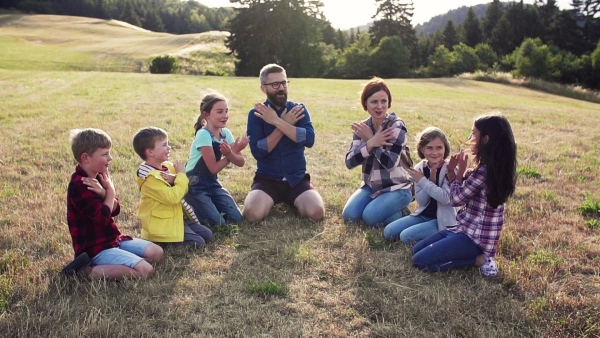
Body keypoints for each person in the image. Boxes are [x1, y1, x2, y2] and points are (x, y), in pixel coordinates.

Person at [411, 112, 517, 277]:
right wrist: (454, 172)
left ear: (486, 139)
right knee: (415, 250)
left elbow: (455, 199)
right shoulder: (488, 167)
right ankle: (469, 254)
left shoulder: (485, 172)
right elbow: (462, 185)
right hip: (462, 228)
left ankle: (479, 259)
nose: (470, 138)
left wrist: (456, 174)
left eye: (474, 134)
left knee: (420, 260)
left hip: (476, 239)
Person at [62, 128, 164, 280]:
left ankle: (121, 265)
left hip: (113, 240)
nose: (110, 158)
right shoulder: (80, 185)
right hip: (95, 249)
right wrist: (110, 190)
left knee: (157, 253)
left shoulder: (99, 176)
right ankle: (85, 271)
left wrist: (105, 193)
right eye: (104, 154)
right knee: (146, 271)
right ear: (86, 158)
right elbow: (103, 217)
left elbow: (115, 210)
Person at [243, 63, 325, 223]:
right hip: (267, 180)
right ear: (263, 88)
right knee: (252, 215)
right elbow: (259, 152)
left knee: (316, 213)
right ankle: (270, 199)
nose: (281, 88)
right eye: (275, 84)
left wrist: (277, 122)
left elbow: (309, 140)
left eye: (284, 83)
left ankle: (294, 199)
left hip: (296, 179)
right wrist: (282, 124)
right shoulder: (256, 114)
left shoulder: (299, 110)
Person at [342, 77, 413, 227]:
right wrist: (371, 143)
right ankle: (384, 208)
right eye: (374, 101)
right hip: (372, 186)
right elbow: (349, 162)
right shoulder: (362, 128)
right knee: (350, 216)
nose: (379, 106)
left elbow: (390, 163)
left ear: (389, 103)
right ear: (365, 104)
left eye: (384, 101)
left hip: (398, 187)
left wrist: (371, 140)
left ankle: (402, 213)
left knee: (369, 217)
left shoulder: (396, 126)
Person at [132, 126, 213, 247]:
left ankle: (179, 233)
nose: (169, 147)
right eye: (164, 145)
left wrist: (176, 178)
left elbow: (182, 190)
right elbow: (173, 197)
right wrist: (180, 175)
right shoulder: (150, 178)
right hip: (161, 226)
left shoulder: (168, 166)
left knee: (207, 234)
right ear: (150, 152)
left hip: (175, 218)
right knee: (199, 243)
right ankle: (157, 241)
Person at [383, 127, 457, 244]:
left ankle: (441, 237)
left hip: (442, 221)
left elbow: (446, 198)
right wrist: (430, 180)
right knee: (389, 232)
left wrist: (423, 181)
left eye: (439, 148)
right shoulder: (420, 168)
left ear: (445, 148)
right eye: (429, 148)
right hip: (423, 215)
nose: (434, 152)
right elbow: (422, 201)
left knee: (405, 236)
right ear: (422, 149)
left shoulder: (450, 169)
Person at [184, 93, 248, 226]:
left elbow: (241, 162)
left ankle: (209, 205)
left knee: (237, 219)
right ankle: (190, 206)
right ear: (206, 114)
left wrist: (231, 153)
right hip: (195, 185)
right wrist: (231, 153)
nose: (225, 115)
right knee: (218, 224)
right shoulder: (203, 135)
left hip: (212, 183)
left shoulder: (226, 133)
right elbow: (213, 168)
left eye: (226, 111)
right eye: (220, 112)